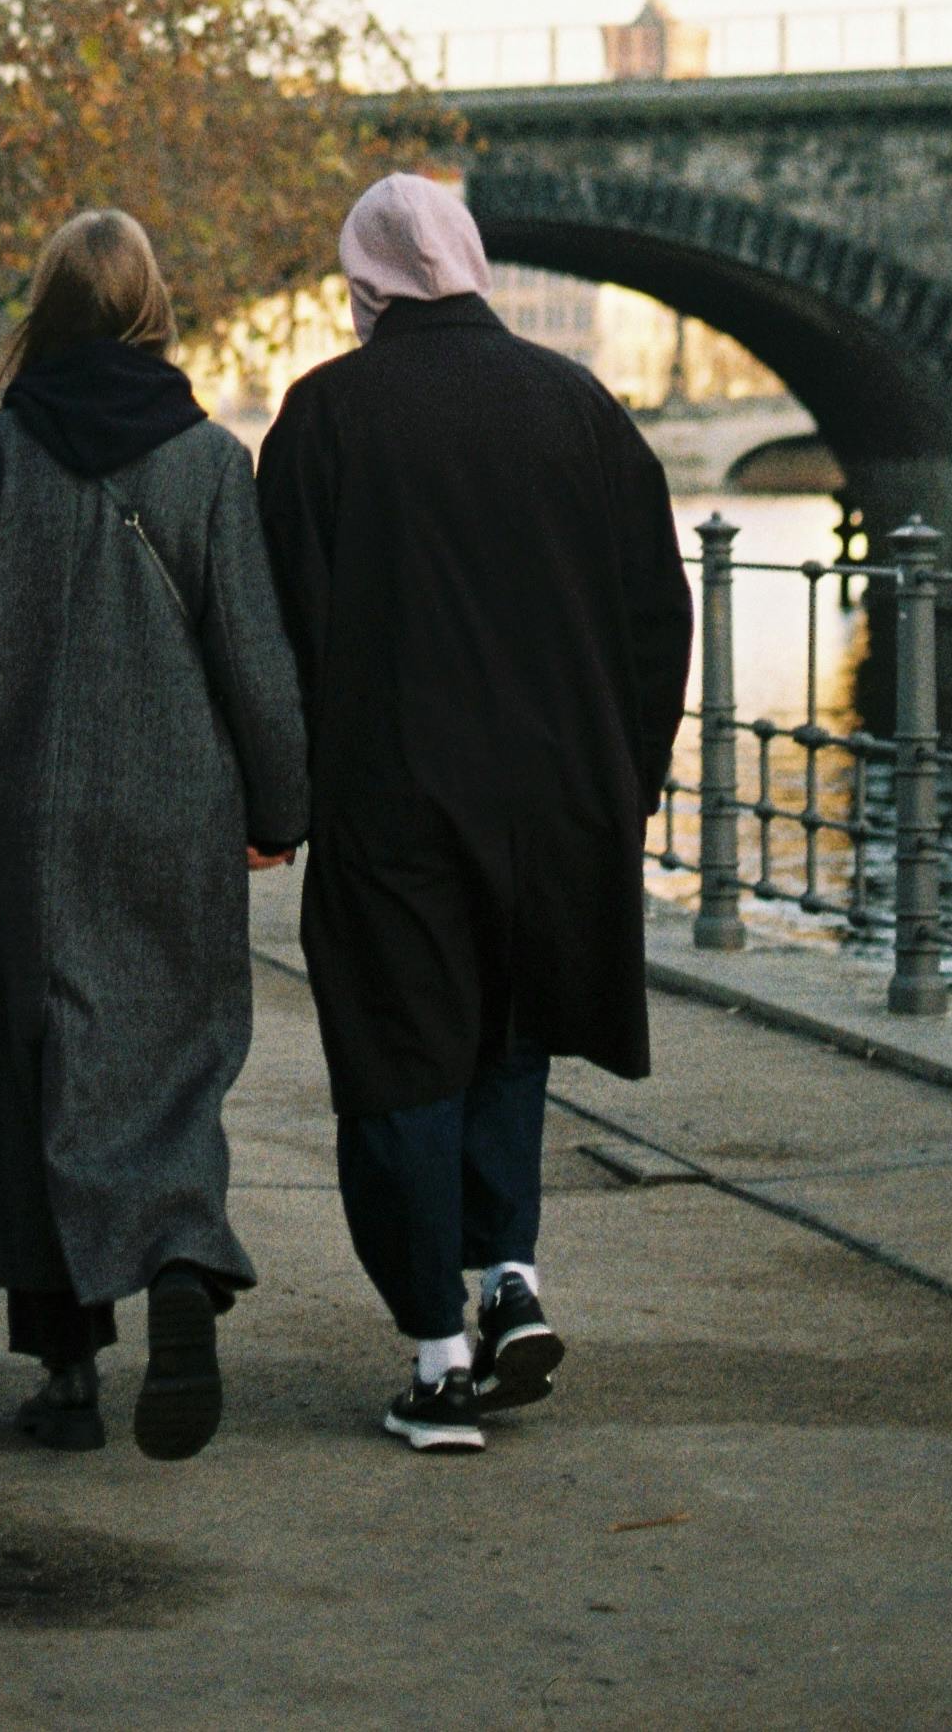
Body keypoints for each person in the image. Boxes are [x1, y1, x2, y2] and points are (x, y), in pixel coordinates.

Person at [257, 173, 691, 1455]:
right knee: (511, 1039)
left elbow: (282, 629)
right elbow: (655, 614)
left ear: (367, 280)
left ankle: (438, 1355)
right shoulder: (579, 405)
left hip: (395, 797)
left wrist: (280, 801)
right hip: (560, 798)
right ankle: (513, 1277)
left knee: (401, 1059)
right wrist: (627, 780)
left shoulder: (326, 415)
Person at [0, 208, 308, 1462]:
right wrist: (279, 809)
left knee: (33, 1072)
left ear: (44, 310)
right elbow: (257, 666)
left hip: (11, 817)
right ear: (151, 309)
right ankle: (179, 1263)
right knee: (169, 1049)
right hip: (173, 809)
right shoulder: (212, 465)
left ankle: (66, 1375)